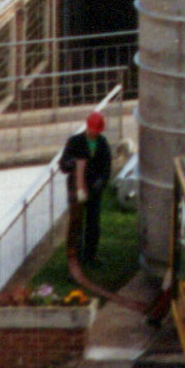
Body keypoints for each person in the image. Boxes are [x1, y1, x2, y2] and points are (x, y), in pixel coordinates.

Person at [59, 109, 112, 268]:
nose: (94, 133)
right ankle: (75, 259)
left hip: (94, 191)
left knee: (93, 224)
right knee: (76, 225)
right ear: (87, 127)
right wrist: (71, 164)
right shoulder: (74, 142)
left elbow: (106, 167)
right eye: (92, 130)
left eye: (97, 131)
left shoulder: (102, 143)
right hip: (76, 190)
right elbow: (63, 164)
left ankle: (91, 256)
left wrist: (100, 182)